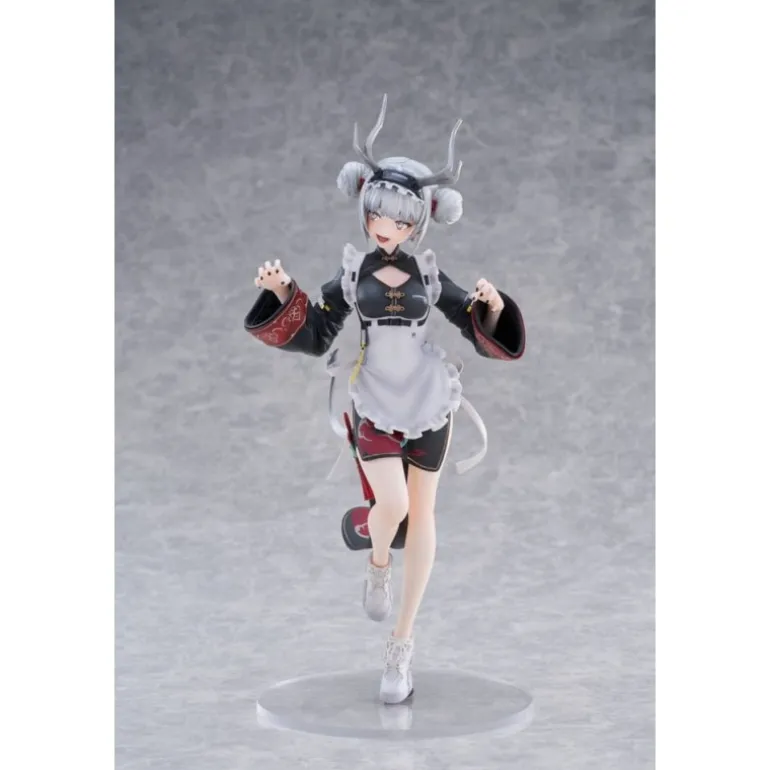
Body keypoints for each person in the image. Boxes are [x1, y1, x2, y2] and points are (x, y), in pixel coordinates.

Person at [245, 95, 525, 704]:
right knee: (391, 506)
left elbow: (469, 319)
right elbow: (317, 328)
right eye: (377, 214)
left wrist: (493, 306)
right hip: (374, 397)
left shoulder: (428, 276)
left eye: (399, 220)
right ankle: (377, 560)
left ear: (419, 222)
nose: (385, 227)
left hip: (429, 400)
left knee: (421, 516)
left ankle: (401, 645)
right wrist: (284, 292)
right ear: (364, 207)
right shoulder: (353, 275)